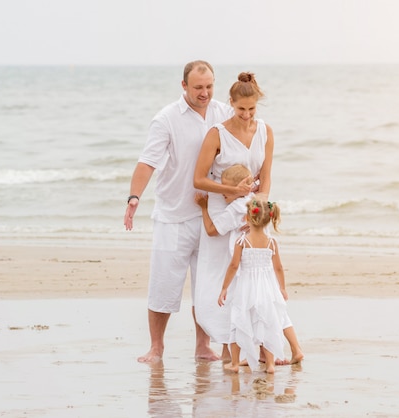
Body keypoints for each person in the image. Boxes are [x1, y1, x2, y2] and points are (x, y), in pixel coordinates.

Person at [124, 60, 237, 363]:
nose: (205, 93)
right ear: (184, 86)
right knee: (164, 285)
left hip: (210, 216)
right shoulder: (166, 119)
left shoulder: (224, 113)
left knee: (207, 287)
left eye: (210, 86)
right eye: (198, 87)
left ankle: (203, 346)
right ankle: (156, 347)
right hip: (172, 216)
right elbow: (147, 162)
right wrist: (135, 197)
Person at [192, 72, 273, 361]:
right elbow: (199, 179)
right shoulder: (217, 133)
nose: (247, 115)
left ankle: (261, 344)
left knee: (253, 281)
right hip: (222, 211)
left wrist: (258, 217)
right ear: (231, 104)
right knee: (221, 282)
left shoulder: (265, 131)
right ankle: (227, 346)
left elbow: (265, 179)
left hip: (251, 217)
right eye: (241, 109)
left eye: (252, 109)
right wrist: (233, 192)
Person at [195, 164, 304, 365]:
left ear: (241, 187)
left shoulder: (237, 208)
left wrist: (203, 207)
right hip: (266, 271)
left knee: (245, 312)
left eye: (227, 188)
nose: (224, 193)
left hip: (248, 272)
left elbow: (212, 230)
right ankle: (292, 350)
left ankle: (244, 357)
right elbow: (278, 265)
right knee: (274, 312)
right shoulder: (257, 204)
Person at [218, 197, 290, 374]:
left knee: (238, 321)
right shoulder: (272, 242)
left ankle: (235, 363)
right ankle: (271, 365)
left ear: (248, 218)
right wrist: (282, 288)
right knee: (268, 322)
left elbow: (234, 266)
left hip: (246, 288)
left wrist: (224, 288)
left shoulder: (242, 241)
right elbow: (278, 267)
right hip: (267, 288)